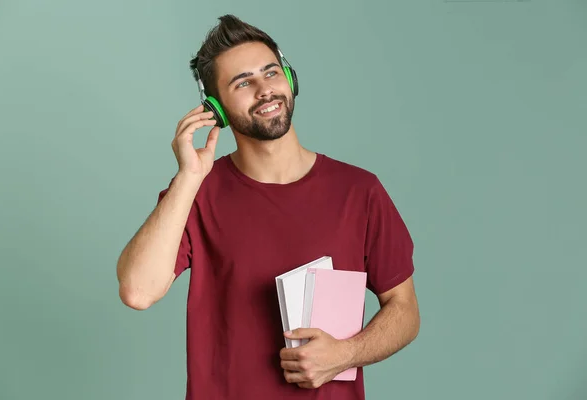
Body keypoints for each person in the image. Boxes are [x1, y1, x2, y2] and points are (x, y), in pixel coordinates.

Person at [116, 14, 420, 400]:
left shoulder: (360, 191)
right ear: (216, 109)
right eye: (242, 82)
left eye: (271, 73)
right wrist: (189, 177)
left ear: (290, 80)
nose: (264, 90)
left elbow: (405, 311)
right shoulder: (196, 194)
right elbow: (138, 291)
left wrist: (346, 354)